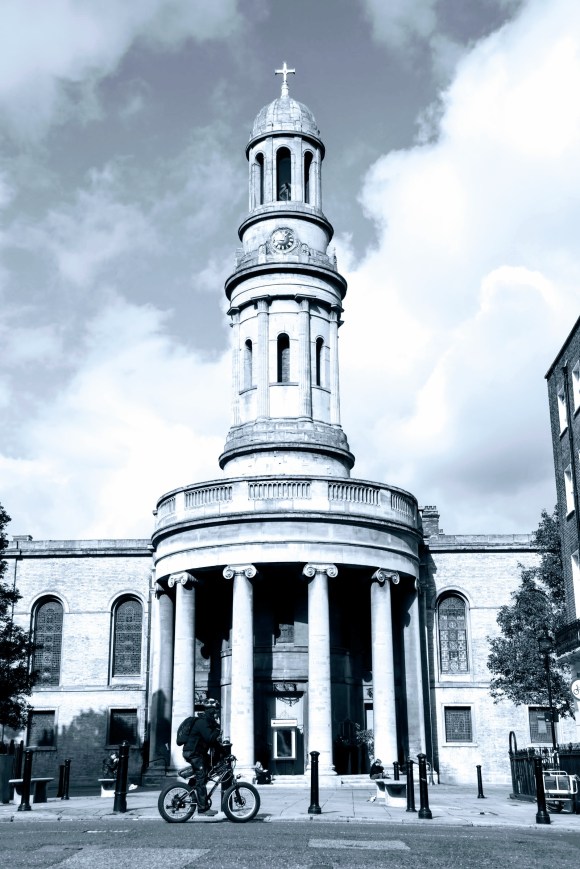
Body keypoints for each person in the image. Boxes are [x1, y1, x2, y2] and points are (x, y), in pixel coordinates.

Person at [182, 698, 222, 815]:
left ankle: (191, 788)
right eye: (215, 711)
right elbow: (210, 738)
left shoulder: (208, 723)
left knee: (209, 769)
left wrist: (224, 753)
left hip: (198, 753)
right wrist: (218, 728)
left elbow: (213, 743)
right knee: (201, 777)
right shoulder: (202, 722)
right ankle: (203, 808)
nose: (216, 713)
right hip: (193, 753)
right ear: (210, 711)